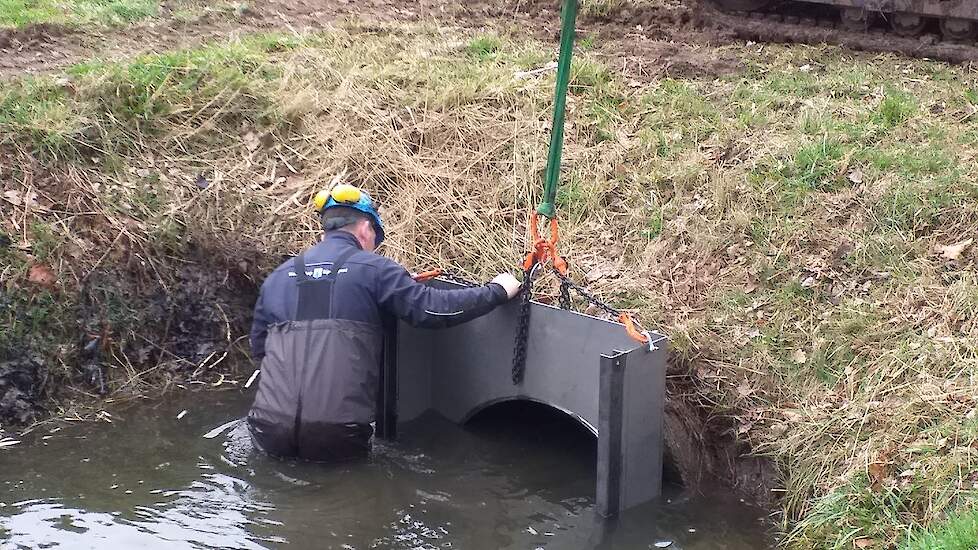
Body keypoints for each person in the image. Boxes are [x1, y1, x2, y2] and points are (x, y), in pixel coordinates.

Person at [247, 183, 521, 462]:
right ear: (366, 228)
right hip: (336, 432)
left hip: (267, 427)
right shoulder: (375, 270)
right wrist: (496, 291)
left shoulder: (277, 278)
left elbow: (260, 349)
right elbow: (433, 310)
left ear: (324, 232)